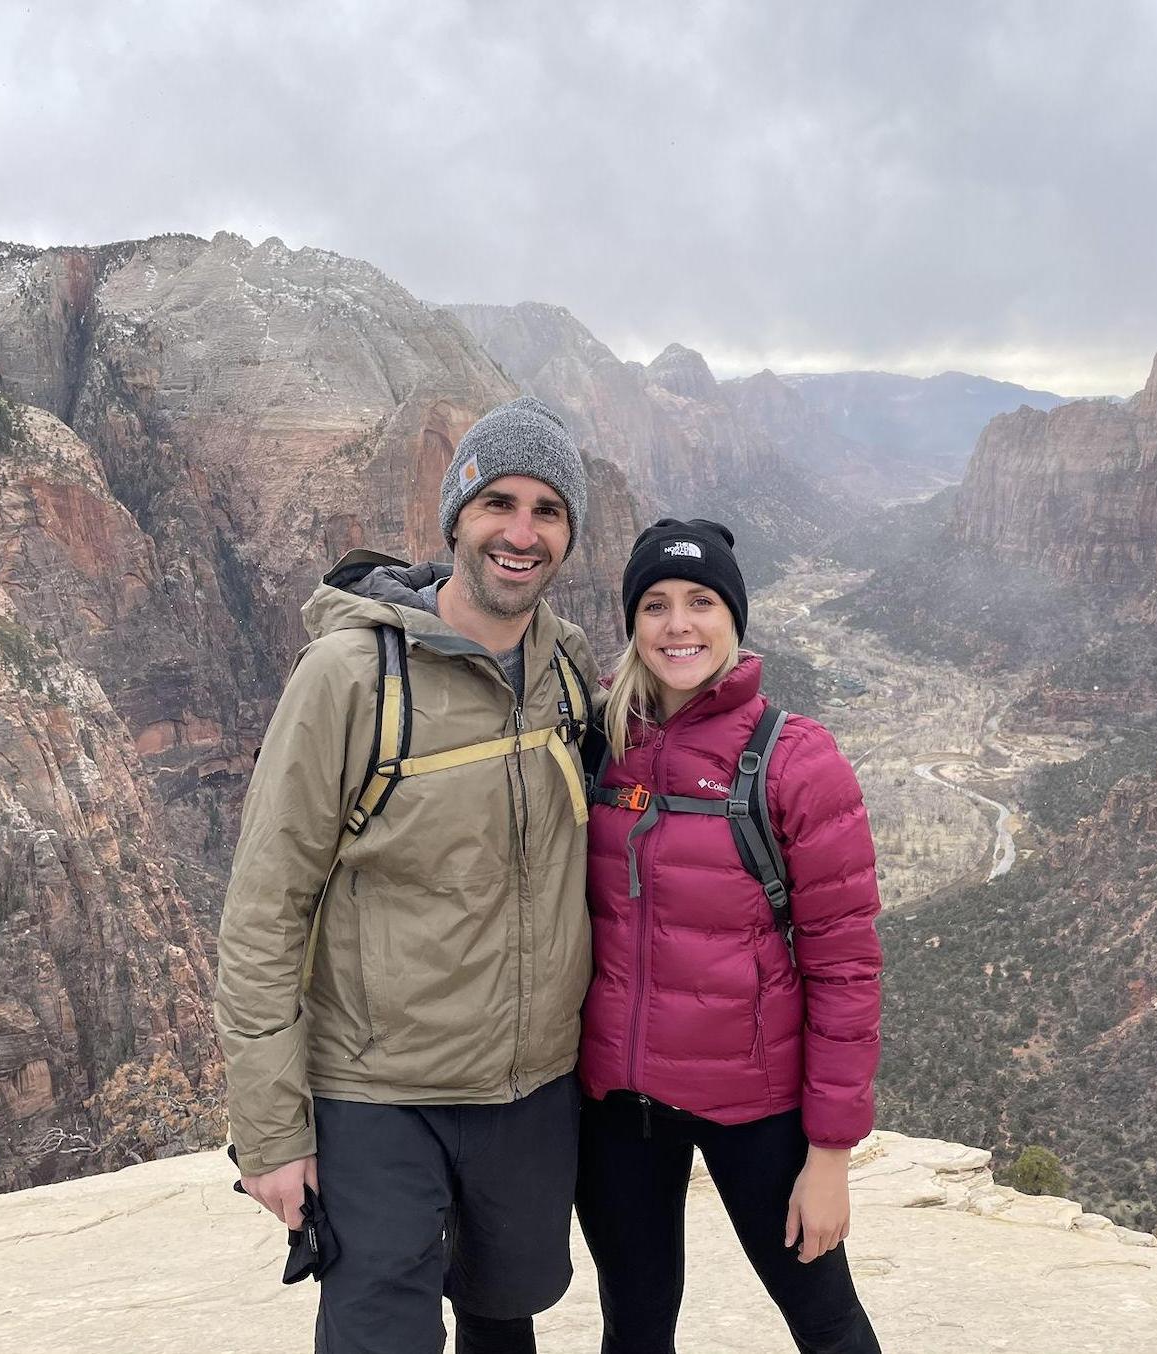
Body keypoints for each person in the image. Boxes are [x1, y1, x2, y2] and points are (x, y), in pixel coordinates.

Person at [214, 396, 601, 1354]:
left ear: (570, 533)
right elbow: (265, 908)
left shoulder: (570, 672)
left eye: (547, 510)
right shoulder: (349, 675)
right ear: (455, 516)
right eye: (497, 504)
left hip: (529, 1090)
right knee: (379, 1337)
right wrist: (270, 1132)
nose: (521, 533)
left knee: (504, 1324)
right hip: (379, 1095)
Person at [576, 518, 883, 1353]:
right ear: (632, 623)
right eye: (656, 604)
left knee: (825, 1324)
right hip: (619, 1108)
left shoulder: (798, 762)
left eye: (702, 601)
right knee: (633, 1328)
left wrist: (830, 1156)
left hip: (758, 1107)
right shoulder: (597, 743)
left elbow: (846, 973)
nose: (679, 625)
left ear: (734, 618)